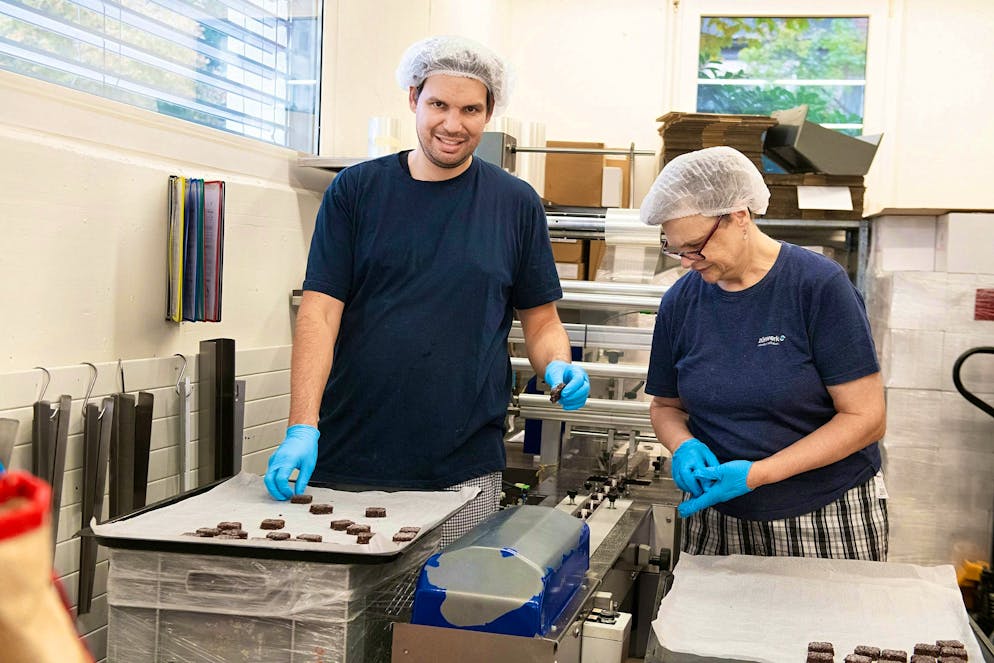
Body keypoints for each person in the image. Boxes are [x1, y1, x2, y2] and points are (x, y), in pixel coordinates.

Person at [264, 35, 590, 546]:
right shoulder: (355, 192)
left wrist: (557, 366)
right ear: (413, 98)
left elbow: (541, 320)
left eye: (470, 109)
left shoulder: (516, 204)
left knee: (440, 621)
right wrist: (302, 427)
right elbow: (319, 314)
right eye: (439, 104)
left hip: (461, 468)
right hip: (348, 455)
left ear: (489, 114)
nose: (453, 124)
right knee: (351, 619)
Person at [641, 146, 887, 560]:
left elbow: (866, 419)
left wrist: (759, 474)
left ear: (739, 216)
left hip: (823, 515)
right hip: (718, 519)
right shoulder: (681, 302)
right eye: (676, 249)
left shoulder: (817, 286)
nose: (687, 262)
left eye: (696, 246)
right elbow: (665, 406)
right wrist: (681, 444)